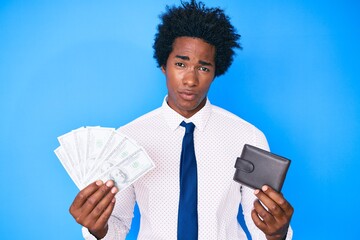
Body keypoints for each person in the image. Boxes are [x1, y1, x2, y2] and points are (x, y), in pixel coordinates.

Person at [69, 1, 294, 239]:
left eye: (203, 68)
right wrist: (96, 228)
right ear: (163, 65)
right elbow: (117, 226)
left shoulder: (248, 137)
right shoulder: (129, 138)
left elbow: (262, 226)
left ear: (216, 72)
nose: (190, 79)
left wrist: (277, 234)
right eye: (180, 63)